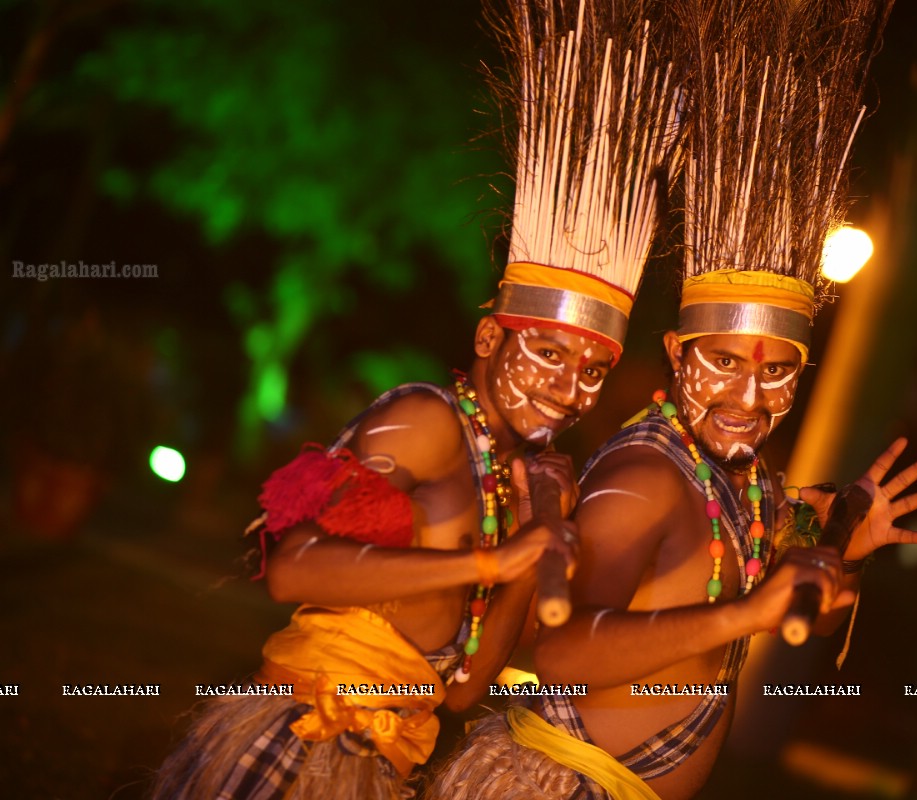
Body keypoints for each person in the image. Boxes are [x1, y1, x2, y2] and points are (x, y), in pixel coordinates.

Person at [150, 0, 680, 795]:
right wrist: (487, 559)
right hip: (301, 741)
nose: (566, 389)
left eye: (593, 371)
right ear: (489, 338)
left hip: (383, 764)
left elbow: (464, 691)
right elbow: (293, 568)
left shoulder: (512, 479)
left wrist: (537, 541)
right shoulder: (425, 420)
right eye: (547, 351)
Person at [424, 1, 917, 797]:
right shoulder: (647, 476)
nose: (746, 395)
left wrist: (844, 547)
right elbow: (558, 651)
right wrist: (743, 618)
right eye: (723, 362)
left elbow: (807, 608)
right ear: (676, 354)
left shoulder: (752, 492)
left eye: (775, 374)